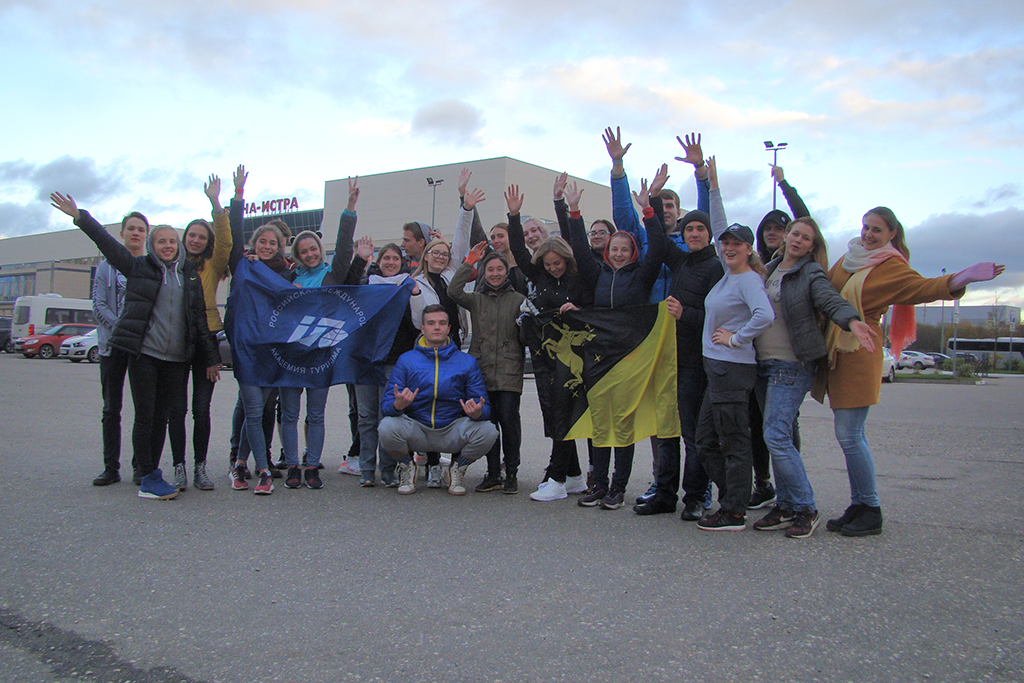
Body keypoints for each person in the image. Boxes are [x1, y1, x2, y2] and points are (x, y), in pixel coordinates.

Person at [814, 207, 1004, 536]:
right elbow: (824, 291)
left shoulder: (891, 266)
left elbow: (924, 288)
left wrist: (965, 277)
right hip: (838, 349)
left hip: (861, 352)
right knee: (849, 436)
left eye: (876, 229)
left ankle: (871, 508)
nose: (868, 234)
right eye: (865, 227)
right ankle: (858, 505)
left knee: (850, 435)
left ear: (892, 234)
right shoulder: (848, 259)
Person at [51, 192, 221, 500]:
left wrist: (211, 358)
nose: (167, 245)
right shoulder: (140, 268)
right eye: (161, 241)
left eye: (172, 241)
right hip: (145, 355)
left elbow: (199, 320)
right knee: (145, 415)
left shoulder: (189, 277)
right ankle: (148, 476)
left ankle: (149, 473)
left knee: (161, 418)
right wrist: (80, 217)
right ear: (153, 245)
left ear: (178, 246)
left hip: (176, 359)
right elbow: (109, 246)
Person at [749, 217, 876, 538]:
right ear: (786, 237)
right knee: (777, 436)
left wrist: (851, 320)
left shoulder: (810, 272)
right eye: (795, 234)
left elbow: (829, 299)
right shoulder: (768, 269)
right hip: (762, 364)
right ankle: (786, 505)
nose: (797, 240)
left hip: (791, 364)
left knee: (776, 435)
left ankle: (806, 507)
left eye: (805, 238)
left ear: (811, 246)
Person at [604, 127, 711, 505]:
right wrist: (618, 168)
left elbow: (708, 215)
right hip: (652, 338)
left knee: (692, 418)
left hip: (689, 337)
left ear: (678, 213)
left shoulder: (690, 245)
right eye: (659, 205)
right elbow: (622, 213)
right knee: (660, 417)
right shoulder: (644, 238)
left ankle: (700, 488)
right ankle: (661, 483)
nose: (665, 210)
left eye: (670, 206)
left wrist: (701, 174)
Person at [566, 169, 668, 511]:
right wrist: (574, 212)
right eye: (615, 249)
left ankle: (618, 488)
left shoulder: (642, 276)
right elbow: (580, 250)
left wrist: (648, 210)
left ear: (633, 251)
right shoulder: (597, 275)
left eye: (625, 249)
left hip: (630, 359)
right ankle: (599, 484)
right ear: (607, 251)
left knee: (622, 423)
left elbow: (659, 246)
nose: (620, 253)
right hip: (598, 358)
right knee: (599, 422)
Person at [693, 157, 775, 532]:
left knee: (733, 440)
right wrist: (713, 185)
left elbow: (764, 315)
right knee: (705, 441)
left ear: (748, 249)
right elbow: (719, 225)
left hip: (733, 368)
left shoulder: (748, 280)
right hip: (718, 369)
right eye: (725, 243)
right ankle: (733, 497)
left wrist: (736, 337)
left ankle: (734, 511)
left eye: (736, 244)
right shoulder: (729, 273)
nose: (728, 247)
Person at [632, 206, 724, 520]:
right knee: (666, 429)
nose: (694, 233)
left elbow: (720, 318)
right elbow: (658, 241)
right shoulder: (683, 261)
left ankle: (695, 497)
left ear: (709, 234)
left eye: (700, 229)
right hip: (668, 357)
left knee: (693, 434)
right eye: (689, 229)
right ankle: (665, 494)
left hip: (695, 363)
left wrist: (686, 314)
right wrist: (650, 207)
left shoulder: (715, 268)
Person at [507, 181, 593, 502]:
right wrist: (514, 217)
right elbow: (519, 252)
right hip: (545, 358)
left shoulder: (580, 278)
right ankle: (573, 476)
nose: (554, 268)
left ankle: (557, 479)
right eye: (548, 264)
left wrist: (564, 206)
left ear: (567, 260)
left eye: (558, 263)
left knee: (564, 414)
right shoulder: (539, 276)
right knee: (554, 414)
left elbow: (575, 241)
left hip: (574, 359)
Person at [273, 177, 360, 490]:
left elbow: (345, 248)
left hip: (320, 354)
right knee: (289, 414)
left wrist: (349, 208)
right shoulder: (288, 279)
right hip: (290, 355)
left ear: (320, 250)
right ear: (297, 255)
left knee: (316, 415)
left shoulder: (331, 275)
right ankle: (292, 465)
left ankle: (312, 465)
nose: (310, 254)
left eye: (313, 249)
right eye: (304, 251)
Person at [377, 305, 498, 495]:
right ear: (422, 328)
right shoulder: (407, 360)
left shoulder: (466, 362)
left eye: (441, 323)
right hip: (417, 429)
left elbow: (484, 407)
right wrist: (398, 405)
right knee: (387, 427)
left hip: (451, 429)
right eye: (431, 323)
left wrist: (477, 413)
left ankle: (456, 469)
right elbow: (386, 406)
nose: (436, 327)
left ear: (449, 328)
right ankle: (407, 467)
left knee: (488, 431)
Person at [448, 212, 527, 495]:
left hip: (509, 372)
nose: (494, 273)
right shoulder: (476, 299)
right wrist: (469, 261)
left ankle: (511, 472)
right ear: (485, 272)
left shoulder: (519, 300)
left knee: (509, 423)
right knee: (488, 425)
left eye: (499, 269)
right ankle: (493, 473)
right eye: (490, 269)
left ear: (506, 272)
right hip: (480, 371)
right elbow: (453, 291)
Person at [167, 173, 232, 492]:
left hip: (207, 343)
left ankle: (200, 468)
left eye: (201, 236)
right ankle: (178, 467)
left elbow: (226, 242)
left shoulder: (213, 266)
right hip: (176, 343)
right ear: (184, 238)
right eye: (191, 235)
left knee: (201, 410)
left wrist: (215, 202)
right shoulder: (172, 266)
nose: (195, 240)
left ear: (207, 241)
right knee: (176, 410)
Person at [352, 240, 420, 487]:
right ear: (378, 262)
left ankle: (388, 469)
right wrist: (360, 259)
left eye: (395, 258)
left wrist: (413, 294)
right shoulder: (365, 285)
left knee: (387, 417)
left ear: (402, 262)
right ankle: (366, 469)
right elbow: (347, 292)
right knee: (366, 417)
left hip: (393, 360)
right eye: (386, 258)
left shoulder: (407, 285)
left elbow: (415, 324)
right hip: (365, 361)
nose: (391, 262)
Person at [90, 210, 149, 487]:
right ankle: (110, 468)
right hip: (111, 346)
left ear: (146, 235)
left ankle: (140, 466)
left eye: (141, 229)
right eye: (131, 228)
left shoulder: (151, 266)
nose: (136, 233)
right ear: (122, 233)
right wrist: (122, 330)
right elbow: (99, 306)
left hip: (141, 347)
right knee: (111, 409)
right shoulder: (105, 267)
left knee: (143, 409)